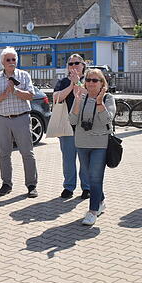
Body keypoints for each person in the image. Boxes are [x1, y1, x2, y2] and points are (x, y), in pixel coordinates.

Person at [0, 47, 38, 197]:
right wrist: (4, 95)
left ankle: (31, 185)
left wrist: (15, 91)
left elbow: (30, 96)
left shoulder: (24, 75)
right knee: (4, 154)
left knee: (27, 153)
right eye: (8, 60)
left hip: (21, 118)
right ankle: (6, 184)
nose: (11, 62)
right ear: (2, 62)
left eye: (13, 59)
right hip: (2, 120)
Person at [70, 68, 115, 226]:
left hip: (99, 144)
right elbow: (72, 121)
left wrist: (99, 102)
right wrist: (76, 102)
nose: (90, 83)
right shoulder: (81, 97)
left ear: (102, 83)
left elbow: (106, 120)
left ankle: (93, 211)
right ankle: (101, 200)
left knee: (96, 178)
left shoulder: (108, 98)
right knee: (89, 177)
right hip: (82, 143)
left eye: (95, 80)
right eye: (88, 80)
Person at [52, 54, 90, 199]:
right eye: (70, 64)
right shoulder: (63, 82)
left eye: (76, 63)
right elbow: (56, 97)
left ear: (83, 65)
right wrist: (71, 85)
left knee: (85, 159)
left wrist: (79, 84)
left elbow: (91, 95)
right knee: (68, 159)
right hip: (66, 125)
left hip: (85, 126)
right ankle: (69, 187)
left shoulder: (89, 79)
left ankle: (86, 187)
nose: (73, 66)